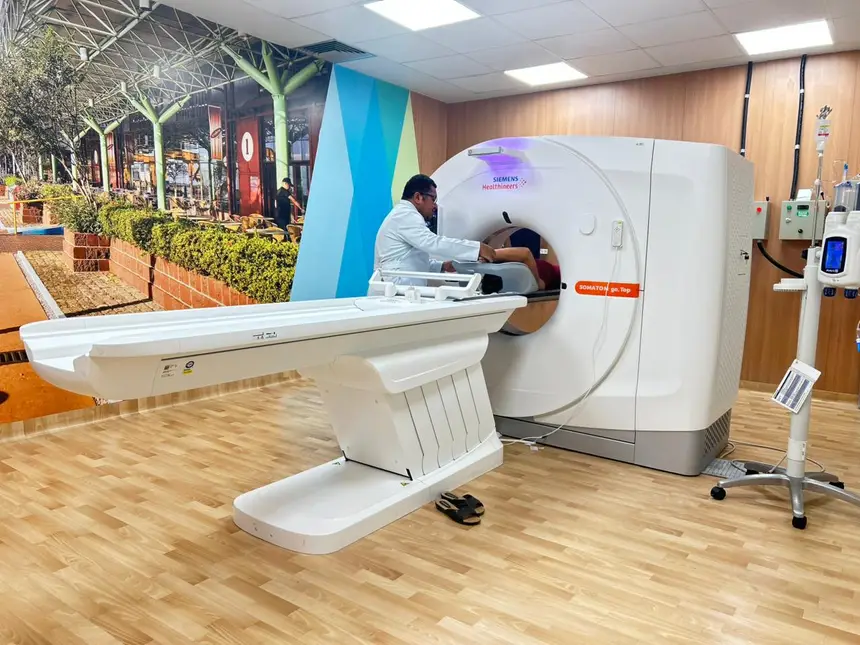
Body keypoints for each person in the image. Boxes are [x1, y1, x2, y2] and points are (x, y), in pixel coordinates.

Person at [375, 174, 496, 286]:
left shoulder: (403, 215)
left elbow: (411, 260)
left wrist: (442, 266)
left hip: (397, 286)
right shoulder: (405, 215)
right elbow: (433, 242)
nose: (435, 206)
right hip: (395, 288)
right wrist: (477, 248)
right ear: (418, 197)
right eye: (433, 199)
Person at [492, 247, 561, 291]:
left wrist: (537, 281)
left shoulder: (490, 254)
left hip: (539, 272)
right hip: (525, 277)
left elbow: (526, 253)